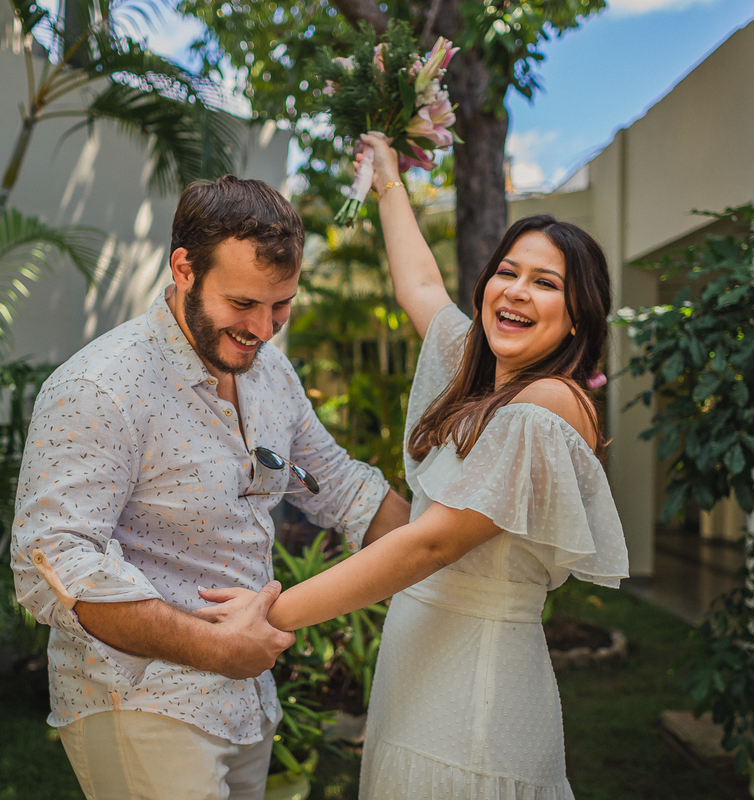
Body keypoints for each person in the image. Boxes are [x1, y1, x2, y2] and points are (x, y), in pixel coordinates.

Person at [200, 134, 630, 799]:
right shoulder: (485, 371)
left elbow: (429, 545)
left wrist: (274, 611)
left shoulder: (550, 403)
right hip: (420, 677)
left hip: (474, 696)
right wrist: (387, 178)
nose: (515, 292)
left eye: (545, 283)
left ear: (579, 317)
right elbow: (421, 284)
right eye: (507, 272)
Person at [11, 174, 412, 800]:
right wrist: (212, 647)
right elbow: (52, 568)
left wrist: (450, 541)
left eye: (281, 305)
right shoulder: (98, 388)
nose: (264, 327)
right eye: (243, 304)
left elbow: (333, 481)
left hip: (245, 699)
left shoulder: (270, 370)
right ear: (184, 269)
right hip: (139, 700)